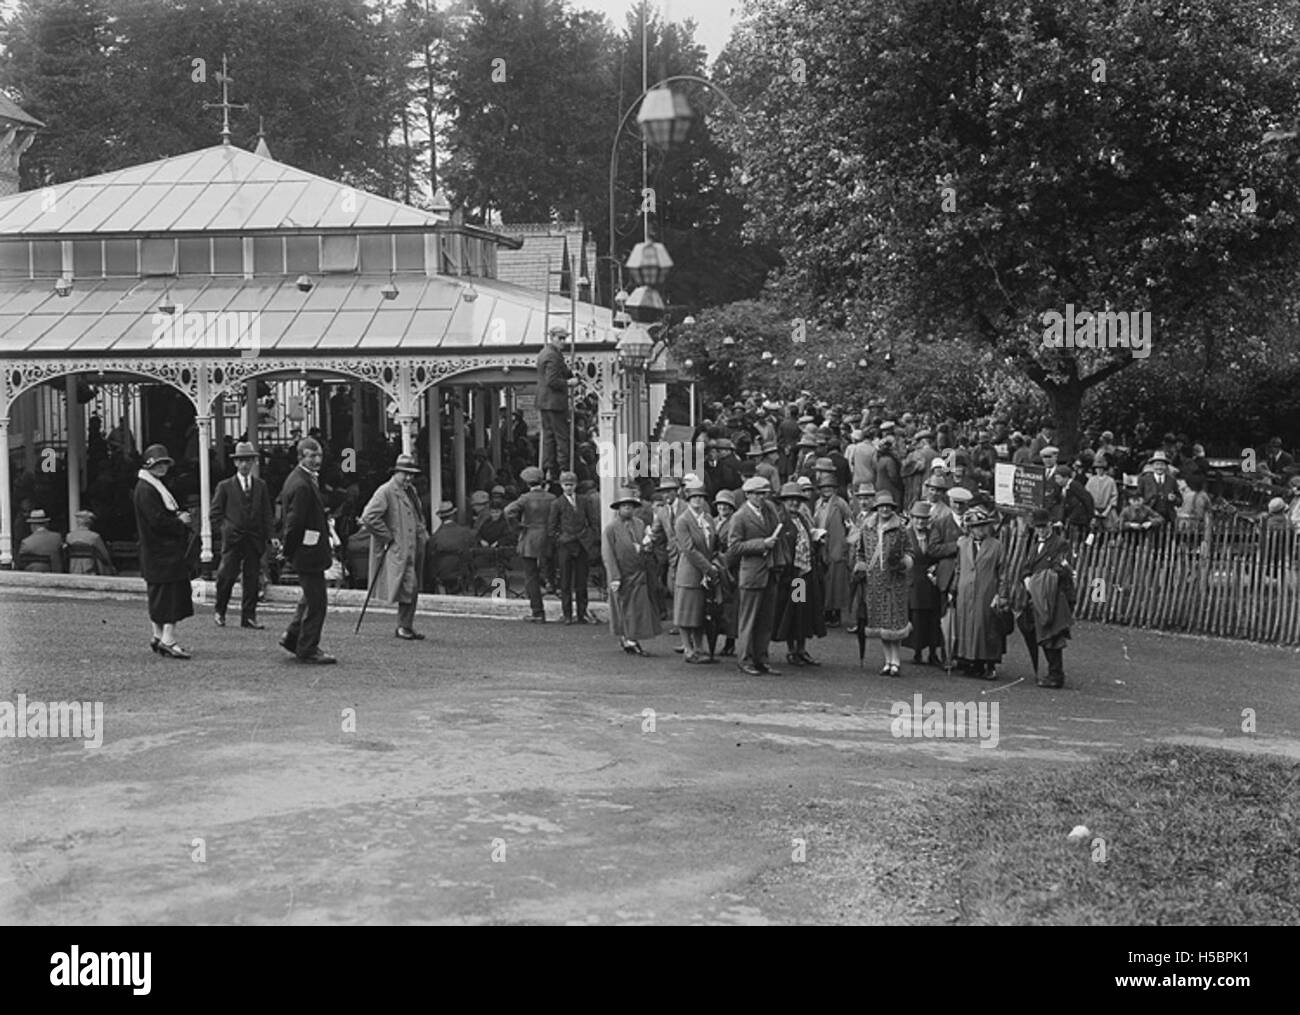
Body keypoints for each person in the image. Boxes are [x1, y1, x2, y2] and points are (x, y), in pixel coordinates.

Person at [133, 444, 195, 659]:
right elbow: (157, 521)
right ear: (149, 465)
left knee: (159, 596)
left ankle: (158, 636)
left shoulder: (148, 486)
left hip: (157, 554)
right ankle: (168, 639)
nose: (163, 467)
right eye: (158, 464)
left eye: (165, 463)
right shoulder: (148, 489)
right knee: (171, 597)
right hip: (163, 553)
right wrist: (180, 521)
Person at [278, 437, 337, 664]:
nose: (316, 460)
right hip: (307, 551)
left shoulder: (302, 479)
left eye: (318, 455)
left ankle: (292, 637)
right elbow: (294, 522)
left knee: (308, 598)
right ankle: (308, 647)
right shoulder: (302, 484)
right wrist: (288, 549)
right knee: (317, 602)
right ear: (301, 456)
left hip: (307, 549)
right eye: (311, 455)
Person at [362, 453, 431, 640]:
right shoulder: (385, 491)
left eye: (411, 474)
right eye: (405, 474)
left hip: (412, 545)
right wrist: (387, 537)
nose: (408, 478)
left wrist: (422, 533)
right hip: (399, 547)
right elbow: (369, 517)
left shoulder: (411, 491)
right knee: (410, 585)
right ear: (396, 472)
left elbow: (416, 515)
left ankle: (406, 625)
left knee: (411, 587)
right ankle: (403, 626)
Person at [209, 441, 274, 629]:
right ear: (235, 463)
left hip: (254, 538)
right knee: (226, 576)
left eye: (248, 461)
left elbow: (266, 513)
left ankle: (248, 616)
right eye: (241, 461)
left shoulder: (260, 486)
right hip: (234, 538)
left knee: (252, 578)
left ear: (253, 462)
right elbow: (215, 514)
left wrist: (271, 535)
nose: (245, 465)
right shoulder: (225, 486)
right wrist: (226, 529)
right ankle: (220, 611)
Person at [850, 492, 913, 676]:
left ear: (892, 508)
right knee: (882, 624)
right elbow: (859, 551)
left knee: (895, 623)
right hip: (874, 581)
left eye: (888, 506)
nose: (884, 509)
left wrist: (903, 562)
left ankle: (896, 661)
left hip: (895, 581)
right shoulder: (867, 527)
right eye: (881, 506)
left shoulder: (901, 529)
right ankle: (887, 661)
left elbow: (910, 551)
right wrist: (861, 566)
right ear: (876, 508)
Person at [1014, 507, 1076, 688]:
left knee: (1052, 634)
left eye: (1044, 526)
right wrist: (1026, 578)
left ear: (1051, 525)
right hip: (1037, 595)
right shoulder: (1035, 545)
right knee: (1037, 630)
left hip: (1055, 596)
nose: (1041, 530)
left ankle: (1056, 675)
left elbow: (1062, 569)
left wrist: (1035, 581)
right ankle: (1053, 672)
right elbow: (1026, 566)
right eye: (1038, 527)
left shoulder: (1060, 544)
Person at [727, 475, 783, 675]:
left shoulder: (769, 510)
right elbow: (733, 547)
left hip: (769, 570)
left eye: (763, 493)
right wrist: (762, 544)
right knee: (748, 620)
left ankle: (762, 658)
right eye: (757, 494)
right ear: (748, 495)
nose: (761, 497)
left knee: (766, 620)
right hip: (751, 573)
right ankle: (744, 659)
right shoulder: (740, 516)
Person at [602, 486, 661, 655]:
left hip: (639, 571)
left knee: (638, 609)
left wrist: (646, 546)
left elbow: (645, 544)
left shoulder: (640, 524)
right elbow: (608, 554)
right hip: (623, 573)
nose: (628, 508)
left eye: (630, 505)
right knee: (624, 607)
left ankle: (632, 637)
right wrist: (614, 577)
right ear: (619, 508)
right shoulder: (611, 529)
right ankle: (627, 638)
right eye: (624, 506)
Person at [774, 482, 826, 666]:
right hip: (793, 575)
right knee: (794, 611)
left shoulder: (802, 519)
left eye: (797, 500)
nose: (794, 503)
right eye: (790, 500)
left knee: (804, 610)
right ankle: (793, 650)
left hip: (806, 572)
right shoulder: (781, 521)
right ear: (784, 502)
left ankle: (801, 648)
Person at [951, 505, 1007, 679]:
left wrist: (1001, 594)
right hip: (965, 591)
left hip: (987, 592)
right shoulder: (962, 544)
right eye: (977, 526)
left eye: (984, 525)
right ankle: (970, 662)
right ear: (970, 528)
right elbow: (958, 568)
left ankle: (989, 664)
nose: (981, 529)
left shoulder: (996, 546)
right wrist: (953, 589)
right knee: (966, 626)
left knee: (987, 627)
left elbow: (1003, 572)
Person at [673, 482, 721, 663]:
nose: (698, 500)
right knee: (686, 613)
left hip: (705, 572)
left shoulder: (708, 518)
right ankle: (688, 649)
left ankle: (700, 648)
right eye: (694, 497)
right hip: (690, 572)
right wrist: (708, 567)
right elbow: (689, 549)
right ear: (688, 500)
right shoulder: (683, 520)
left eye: (701, 497)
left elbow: (713, 544)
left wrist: (713, 564)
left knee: (701, 613)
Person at [549, 470, 600, 624]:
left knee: (581, 581)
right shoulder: (557, 503)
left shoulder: (584, 501)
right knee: (565, 581)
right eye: (566, 485)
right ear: (561, 486)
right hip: (565, 544)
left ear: (576, 485)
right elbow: (551, 527)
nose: (568, 488)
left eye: (571, 485)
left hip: (582, 543)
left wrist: (591, 537)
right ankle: (567, 614)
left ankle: (582, 612)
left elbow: (592, 520)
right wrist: (560, 538)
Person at [505, 465, 555, 622]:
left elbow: (508, 511)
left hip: (530, 538)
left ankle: (537, 612)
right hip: (548, 537)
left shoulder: (525, 498)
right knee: (552, 571)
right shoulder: (552, 498)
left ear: (527, 483)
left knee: (531, 576)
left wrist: (517, 527)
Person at [903, 502, 945, 666]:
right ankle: (917, 651)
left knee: (933, 617)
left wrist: (936, 566)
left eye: (923, 519)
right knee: (917, 617)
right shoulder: (905, 535)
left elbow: (937, 553)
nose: (920, 522)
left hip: (931, 580)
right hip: (913, 580)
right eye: (917, 519)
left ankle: (933, 652)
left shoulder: (933, 534)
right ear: (912, 519)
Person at [536, 325, 574, 478]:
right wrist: (569, 383)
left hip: (545, 402)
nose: (563, 342)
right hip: (554, 402)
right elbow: (552, 380)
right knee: (561, 436)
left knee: (549, 436)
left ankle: (548, 468)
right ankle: (563, 468)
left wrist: (569, 374)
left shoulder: (547, 353)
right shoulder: (553, 355)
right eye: (560, 338)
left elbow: (560, 372)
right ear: (552, 338)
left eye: (565, 338)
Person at [813, 478, 852, 627]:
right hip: (822, 545)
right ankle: (826, 611)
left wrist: (846, 543)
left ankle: (835, 613)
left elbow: (850, 523)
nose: (826, 489)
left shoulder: (841, 503)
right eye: (824, 487)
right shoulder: (818, 504)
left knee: (836, 581)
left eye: (829, 487)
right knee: (824, 580)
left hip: (837, 544)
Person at [712, 489, 740, 657]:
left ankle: (730, 642)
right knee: (714, 606)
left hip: (729, 569)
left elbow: (734, 548)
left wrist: (723, 561)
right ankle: (710, 641)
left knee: (730, 607)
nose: (723, 507)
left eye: (727, 505)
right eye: (720, 504)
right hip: (713, 567)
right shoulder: (712, 521)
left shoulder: (733, 523)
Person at [65, 509, 116, 575]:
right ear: (90, 522)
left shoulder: (69, 536)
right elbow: (105, 555)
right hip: (91, 570)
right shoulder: (94, 537)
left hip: (73, 570)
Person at [1139, 450, 1181, 525]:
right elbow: (1139, 496)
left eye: (1162, 465)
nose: (1159, 467)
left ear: (1166, 466)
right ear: (1152, 466)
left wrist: (1174, 498)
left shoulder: (1171, 480)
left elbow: (1180, 500)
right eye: (1157, 464)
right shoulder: (1144, 480)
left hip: (1168, 518)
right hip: (1149, 517)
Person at [1086, 455, 1119, 532]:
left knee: (1110, 529)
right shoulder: (1091, 480)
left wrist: (1107, 510)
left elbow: (1114, 496)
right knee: (1092, 529)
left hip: (1107, 510)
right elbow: (1087, 495)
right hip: (1093, 509)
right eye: (1097, 468)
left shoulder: (1110, 481)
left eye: (1101, 468)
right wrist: (1094, 510)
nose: (1099, 470)